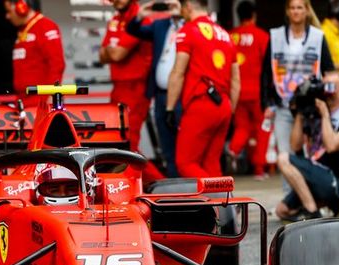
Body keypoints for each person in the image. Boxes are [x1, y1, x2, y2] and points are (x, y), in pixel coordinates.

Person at [261, 0, 335, 188]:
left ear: (307, 11)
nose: (296, 11)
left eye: (300, 7)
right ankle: (290, 199)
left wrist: (329, 101)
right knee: (285, 155)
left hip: (310, 108)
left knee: (311, 155)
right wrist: (267, 103)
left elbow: (329, 71)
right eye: (292, 8)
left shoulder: (318, 37)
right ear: (287, 11)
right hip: (283, 105)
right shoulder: (275, 36)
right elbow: (265, 73)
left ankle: (311, 198)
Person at [166, 0, 240, 178]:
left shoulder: (188, 31)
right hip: (223, 106)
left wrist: (169, 107)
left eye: (182, 7)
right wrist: (231, 111)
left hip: (200, 104)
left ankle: (219, 201)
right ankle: (224, 204)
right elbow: (236, 80)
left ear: (189, 6)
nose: (182, 11)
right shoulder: (225, 34)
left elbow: (178, 72)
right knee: (211, 164)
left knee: (185, 163)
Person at [275, 72, 339, 222]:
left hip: (333, 182)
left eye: (332, 87)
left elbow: (331, 145)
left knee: (283, 158)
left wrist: (325, 115)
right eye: (324, 86)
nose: (327, 91)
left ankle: (312, 211)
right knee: (282, 211)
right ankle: (330, 206)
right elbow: (295, 145)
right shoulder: (314, 114)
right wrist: (301, 109)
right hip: (314, 176)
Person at [126, 0, 184, 178]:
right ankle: (175, 185)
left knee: (184, 144)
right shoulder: (160, 25)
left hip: (183, 93)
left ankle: (188, 182)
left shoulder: (190, 26)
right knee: (166, 142)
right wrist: (141, 15)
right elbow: (133, 30)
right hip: (160, 94)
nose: (169, 7)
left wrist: (181, 13)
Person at [99, 0, 153, 153]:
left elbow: (116, 55)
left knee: (129, 145)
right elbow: (102, 56)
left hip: (136, 87)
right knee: (115, 141)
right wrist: (111, 51)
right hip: (118, 88)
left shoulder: (140, 18)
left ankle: (156, 178)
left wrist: (110, 49)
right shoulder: (115, 20)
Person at [226, 0, 269, 179]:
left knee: (242, 127)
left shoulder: (229, 36)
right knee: (262, 129)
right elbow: (268, 67)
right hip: (258, 92)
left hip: (236, 91)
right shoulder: (261, 36)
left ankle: (233, 149)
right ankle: (258, 169)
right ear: (253, 15)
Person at [4, 0, 65, 107]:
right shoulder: (24, 30)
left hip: (40, 103)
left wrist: (52, 96)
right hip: (23, 101)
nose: (7, 16)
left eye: (9, 11)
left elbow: (57, 64)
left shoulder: (45, 26)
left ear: (21, 7)